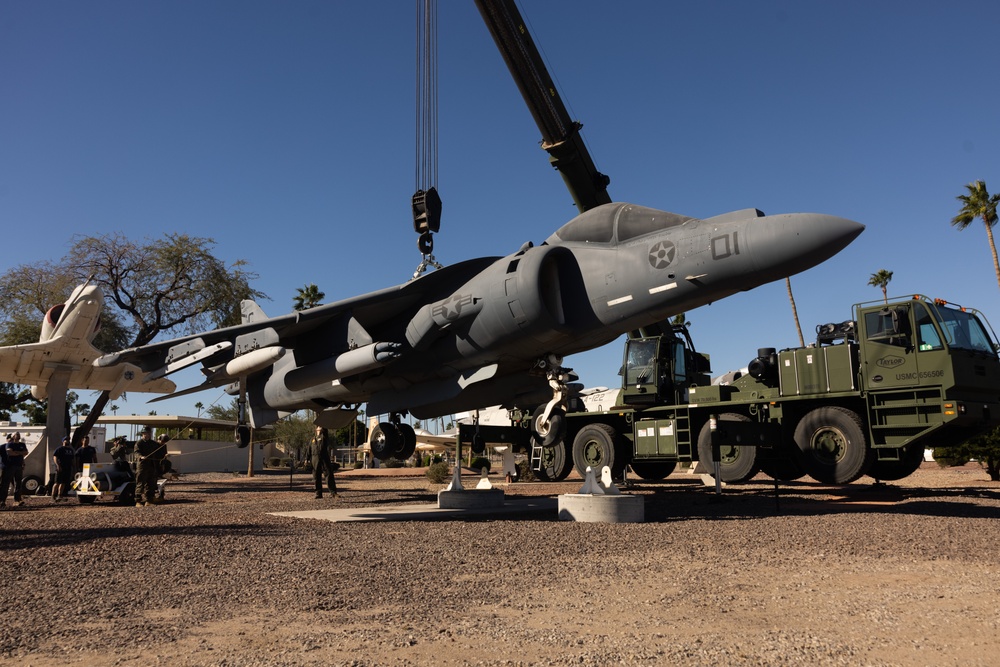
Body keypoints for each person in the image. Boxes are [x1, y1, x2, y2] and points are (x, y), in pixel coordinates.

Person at [134, 427, 162, 507]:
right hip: (142, 466)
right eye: (146, 433)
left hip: (151, 465)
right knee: (140, 483)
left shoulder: (153, 443)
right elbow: (136, 452)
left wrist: (165, 455)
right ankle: (138, 501)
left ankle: (149, 501)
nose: (148, 435)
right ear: (143, 434)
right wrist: (141, 456)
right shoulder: (139, 443)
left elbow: (159, 451)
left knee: (151, 484)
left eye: (149, 433)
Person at [1, 432, 29, 507]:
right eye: (16, 434)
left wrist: (18, 454)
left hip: (18, 466)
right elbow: (10, 453)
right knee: (5, 484)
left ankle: (17, 500)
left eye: (19, 434)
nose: (18, 435)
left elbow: (25, 452)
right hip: (9, 466)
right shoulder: (7, 445)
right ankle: (2, 500)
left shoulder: (22, 444)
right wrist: (20, 453)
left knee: (18, 483)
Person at [309, 426, 338, 499]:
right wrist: (306, 459)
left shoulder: (324, 437)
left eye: (321, 427)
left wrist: (324, 426)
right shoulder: (312, 439)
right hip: (315, 459)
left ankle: (333, 493)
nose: (320, 428)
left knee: (328, 475)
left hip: (324, 458)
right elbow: (308, 450)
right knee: (316, 476)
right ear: (316, 429)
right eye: (319, 427)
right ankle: (318, 494)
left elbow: (325, 431)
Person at [52, 436, 76, 502]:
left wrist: (74, 467)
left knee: (63, 483)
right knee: (57, 482)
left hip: (67, 468)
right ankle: (53, 496)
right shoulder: (59, 449)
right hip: (60, 468)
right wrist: (58, 465)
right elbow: (55, 457)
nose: (67, 441)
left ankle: (60, 495)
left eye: (68, 440)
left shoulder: (71, 450)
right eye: (66, 440)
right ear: (63, 441)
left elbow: (73, 459)